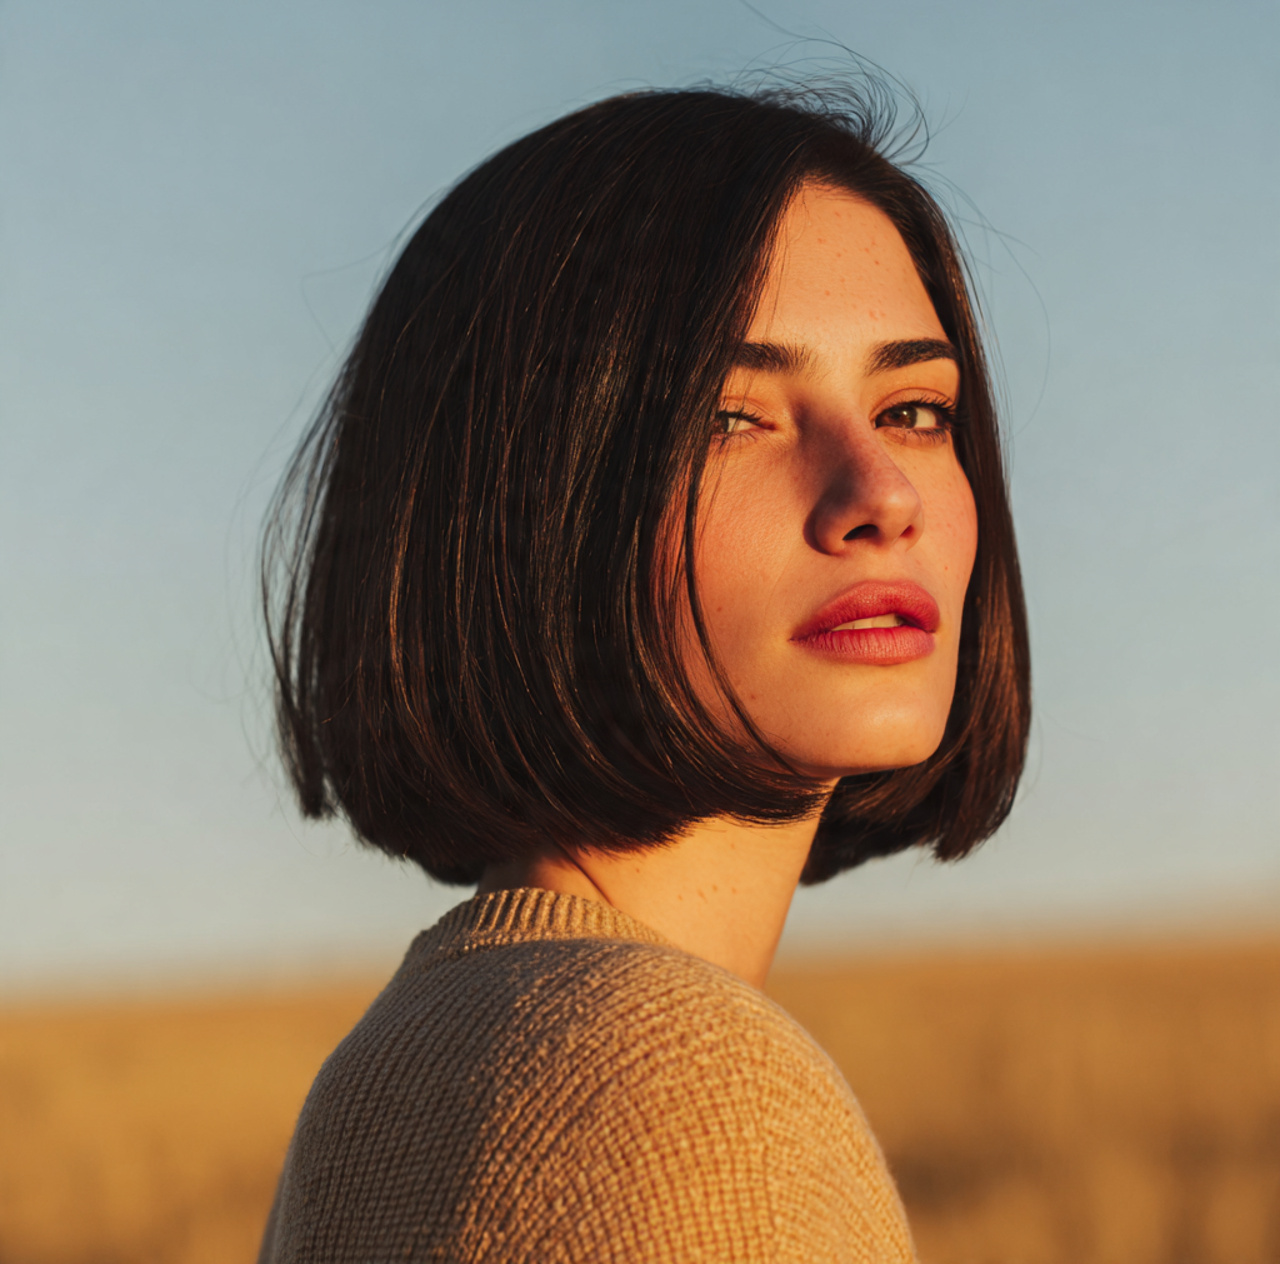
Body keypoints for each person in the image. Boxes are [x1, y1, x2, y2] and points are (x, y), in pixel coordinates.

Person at [257, 78, 1030, 1264]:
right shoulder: (690, 1095)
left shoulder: (396, 1067)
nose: (878, 493)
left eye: (915, 409)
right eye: (732, 416)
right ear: (527, 505)